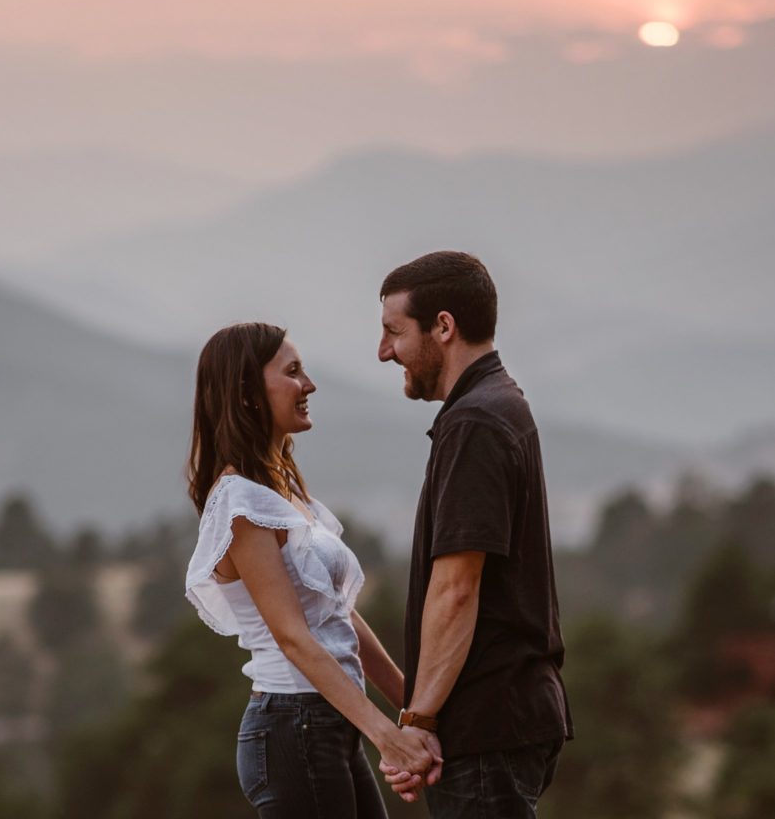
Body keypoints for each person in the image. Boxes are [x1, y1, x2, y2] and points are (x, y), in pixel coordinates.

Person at [183, 322, 442, 818]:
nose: (310, 385)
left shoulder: (284, 494)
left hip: (326, 724)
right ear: (247, 392)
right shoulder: (241, 503)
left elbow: (339, 618)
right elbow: (294, 637)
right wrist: (386, 735)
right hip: (293, 725)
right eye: (294, 372)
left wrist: (414, 711)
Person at [376, 251, 573, 817]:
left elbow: (457, 588)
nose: (385, 351)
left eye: (394, 332)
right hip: (501, 721)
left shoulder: (476, 422)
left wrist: (416, 723)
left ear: (444, 326)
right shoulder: (497, 404)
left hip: (486, 725)